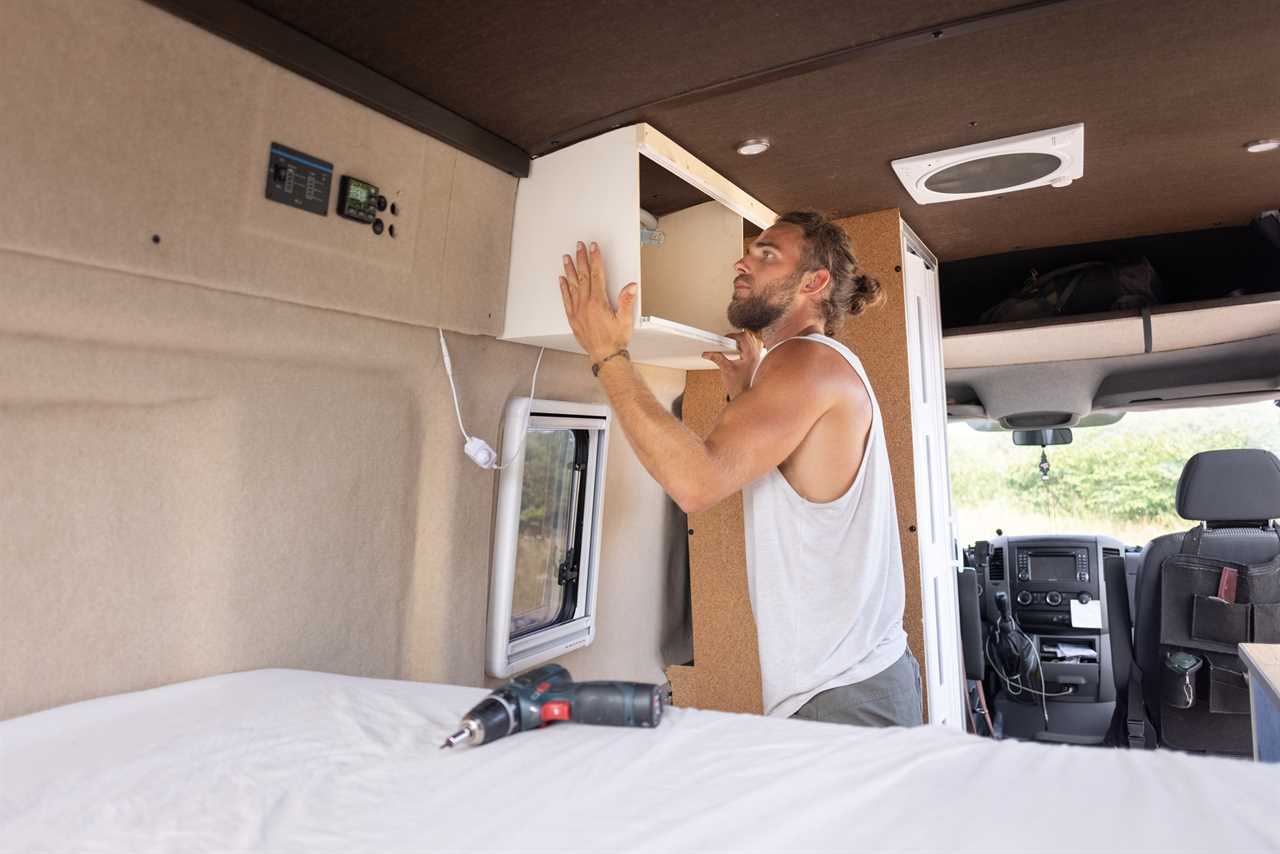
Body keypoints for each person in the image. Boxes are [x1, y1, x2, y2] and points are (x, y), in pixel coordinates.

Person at [557, 210, 921, 728]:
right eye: (750, 251)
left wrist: (608, 352)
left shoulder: (805, 364)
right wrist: (748, 394)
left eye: (767, 255)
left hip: (846, 695)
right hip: (854, 683)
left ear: (814, 282)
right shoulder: (808, 364)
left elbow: (696, 483)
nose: (742, 261)